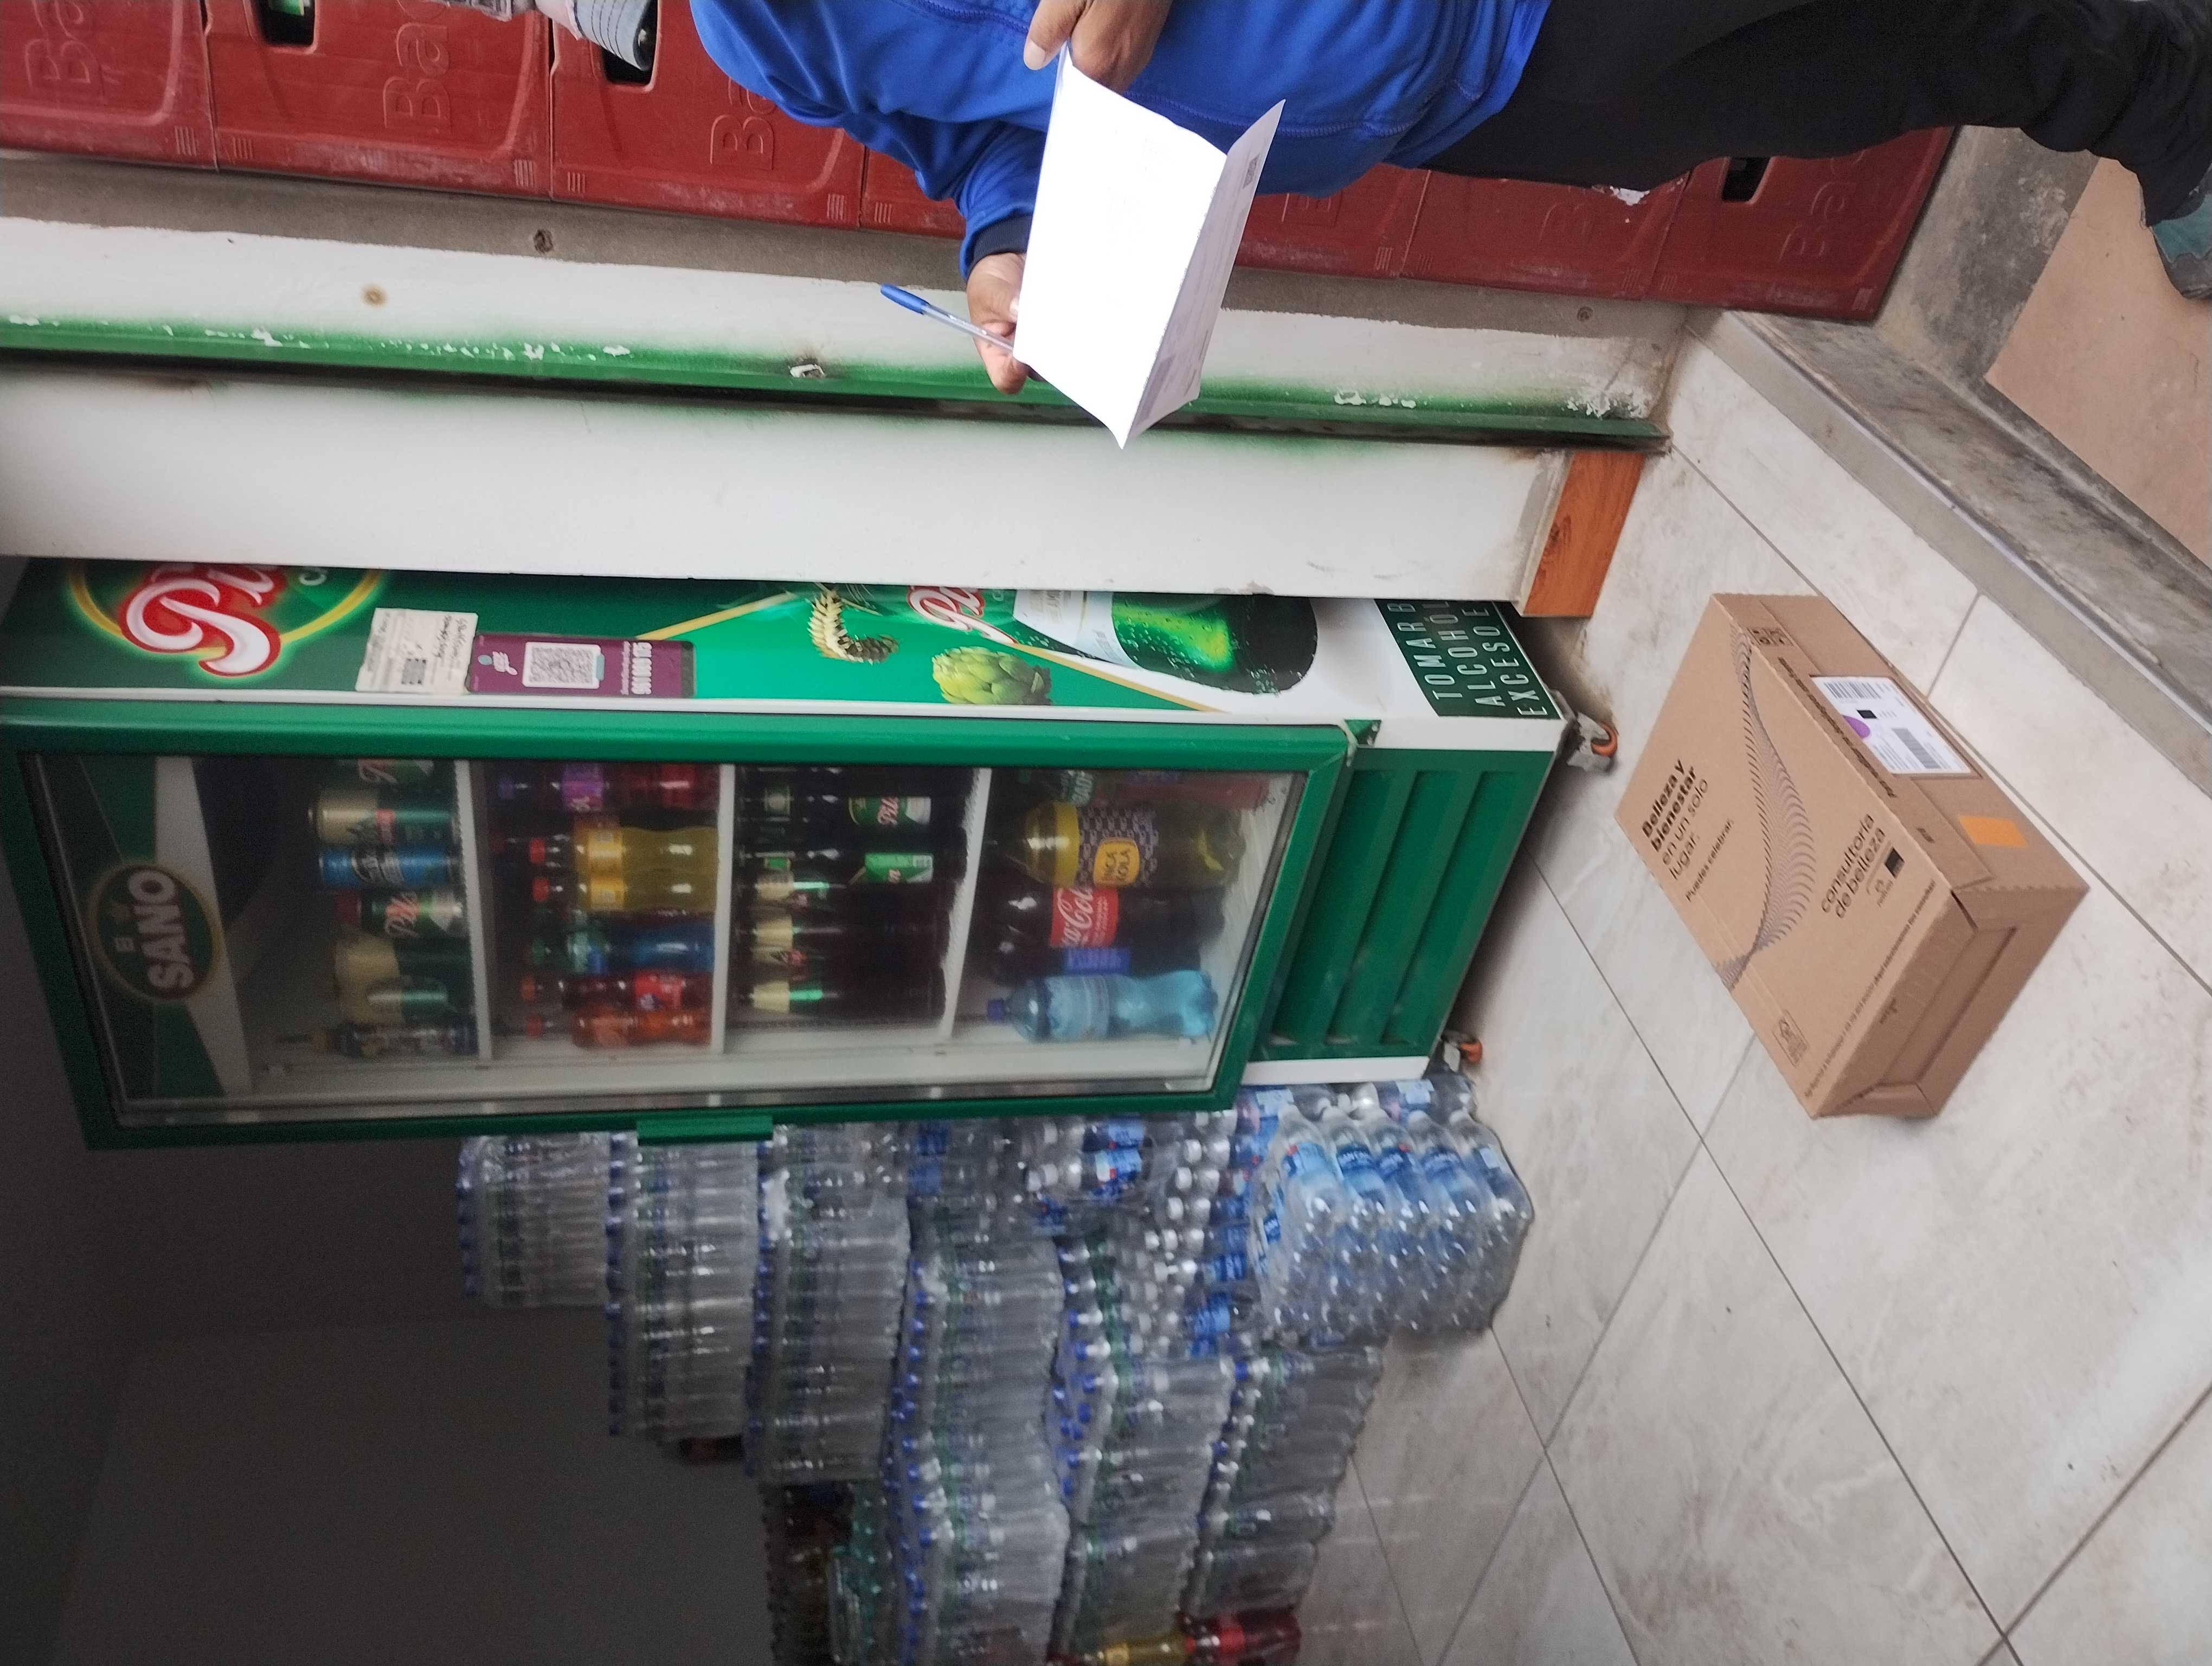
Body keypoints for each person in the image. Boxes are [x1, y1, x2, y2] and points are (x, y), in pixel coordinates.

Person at [535, 0, 2212, 390]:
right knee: (1844, 78)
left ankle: (2163, 82)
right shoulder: (762, 37)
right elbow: (980, 134)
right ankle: (2145, 87)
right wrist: (1007, 249)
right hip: (1445, 104)